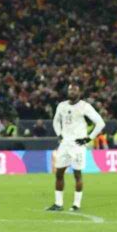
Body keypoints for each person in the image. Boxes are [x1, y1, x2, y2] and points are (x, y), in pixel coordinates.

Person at [47, 83, 105, 212]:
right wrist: (59, 134)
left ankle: (76, 205)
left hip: (78, 146)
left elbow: (100, 123)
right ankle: (58, 204)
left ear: (79, 92)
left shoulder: (85, 106)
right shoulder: (61, 106)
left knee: (77, 174)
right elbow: (56, 121)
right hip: (64, 144)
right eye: (70, 90)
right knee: (59, 174)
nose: (72, 92)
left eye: (74, 90)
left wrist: (89, 138)